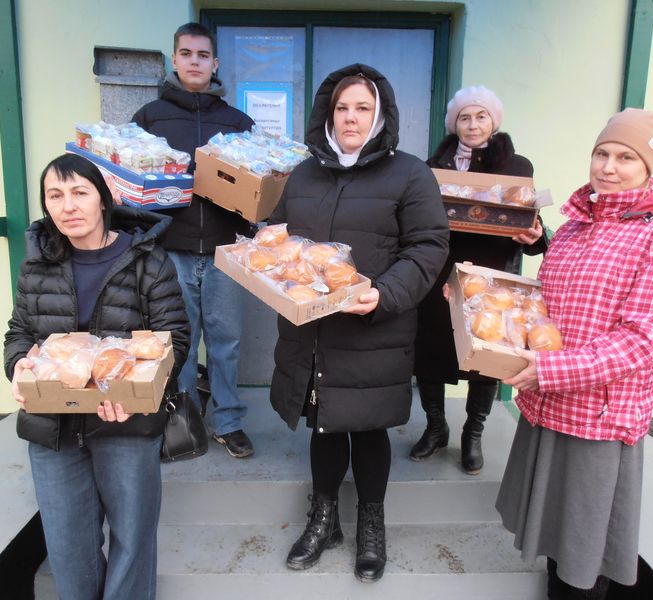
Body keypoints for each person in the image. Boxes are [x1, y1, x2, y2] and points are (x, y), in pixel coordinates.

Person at [496, 108, 653, 598]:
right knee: (555, 541)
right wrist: (488, 308)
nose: (608, 167)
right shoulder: (573, 227)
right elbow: (546, 307)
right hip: (549, 405)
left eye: (626, 158)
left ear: (649, 168)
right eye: (602, 153)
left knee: (584, 555)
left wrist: (550, 369)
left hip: (600, 416)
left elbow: (644, 338)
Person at [269, 64, 449, 583]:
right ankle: (324, 520)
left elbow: (429, 245)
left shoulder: (410, 174)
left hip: (376, 329)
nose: (351, 117)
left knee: (369, 430)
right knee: (324, 426)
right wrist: (267, 260)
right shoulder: (304, 174)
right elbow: (281, 239)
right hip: (313, 331)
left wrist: (384, 294)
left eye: (362, 108)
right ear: (329, 114)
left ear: (380, 115)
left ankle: (372, 525)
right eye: (342, 108)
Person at [3, 153, 189, 600]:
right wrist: (18, 364)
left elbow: (174, 339)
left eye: (79, 192)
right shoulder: (37, 264)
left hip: (126, 422)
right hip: (53, 426)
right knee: (68, 548)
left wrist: (135, 390)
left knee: (132, 540)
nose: (67, 205)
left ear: (102, 199)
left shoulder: (147, 260)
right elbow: (19, 332)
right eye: (55, 195)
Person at [132, 22, 256, 458]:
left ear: (215, 63)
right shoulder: (150, 119)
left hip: (226, 251)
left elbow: (259, 186)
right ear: (175, 59)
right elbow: (130, 184)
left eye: (203, 55)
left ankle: (228, 421)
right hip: (172, 251)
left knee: (227, 342)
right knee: (176, 342)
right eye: (186, 54)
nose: (195, 62)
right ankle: (181, 419)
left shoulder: (238, 123)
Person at [411, 85, 548, 474]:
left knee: (488, 358)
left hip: (491, 275)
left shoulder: (516, 166)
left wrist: (536, 235)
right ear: (454, 124)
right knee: (431, 353)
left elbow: (529, 219)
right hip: (438, 272)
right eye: (465, 117)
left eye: (481, 116)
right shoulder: (431, 167)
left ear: (494, 121)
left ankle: (473, 433)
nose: (473, 124)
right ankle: (435, 427)